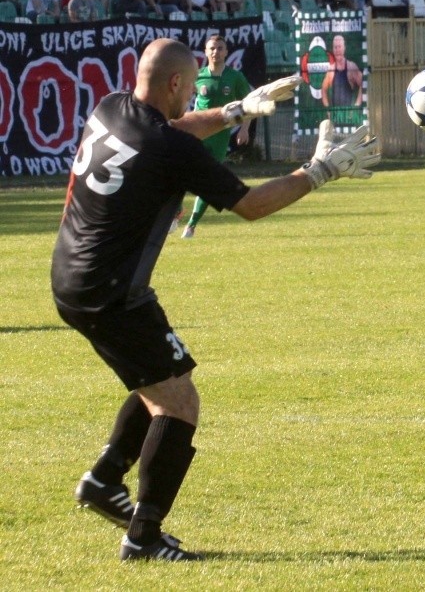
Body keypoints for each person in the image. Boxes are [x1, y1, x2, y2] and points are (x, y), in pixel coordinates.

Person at [52, 37, 380, 561]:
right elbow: (250, 205)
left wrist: (235, 111)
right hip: (111, 292)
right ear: (178, 83)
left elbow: (172, 127)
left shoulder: (112, 106)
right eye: (187, 89)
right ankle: (143, 536)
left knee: (162, 380)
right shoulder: (171, 149)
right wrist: (319, 171)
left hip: (74, 275)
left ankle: (103, 481)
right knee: (179, 403)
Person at [182, 36, 252, 239]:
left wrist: (244, 129)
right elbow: (184, 99)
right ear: (205, 52)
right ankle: (176, 213)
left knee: (209, 179)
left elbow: (248, 105)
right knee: (183, 171)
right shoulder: (197, 76)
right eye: (212, 48)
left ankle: (191, 224)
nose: (216, 52)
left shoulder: (235, 77)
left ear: (226, 52)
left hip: (220, 135)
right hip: (198, 131)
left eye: (220, 48)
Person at [321, 33, 363, 127]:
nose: (338, 50)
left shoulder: (351, 66)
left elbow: (364, 84)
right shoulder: (330, 70)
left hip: (350, 120)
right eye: (335, 47)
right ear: (333, 49)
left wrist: (356, 106)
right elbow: (323, 89)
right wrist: (328, 109)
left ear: (344, 48)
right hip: (335, 120)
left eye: (339, 47)